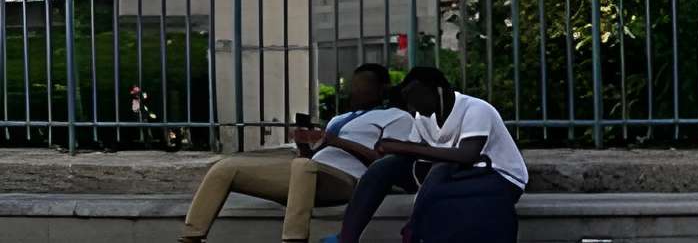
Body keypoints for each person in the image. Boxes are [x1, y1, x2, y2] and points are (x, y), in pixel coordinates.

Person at [177, 61, 403, 243]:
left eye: (362, 87)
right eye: (353, 86)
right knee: (227, 167)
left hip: (347, 181)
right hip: (308, 173)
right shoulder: (339, 119)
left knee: (303, 167)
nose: (354, 92)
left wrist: (337, 142)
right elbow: (309, 160)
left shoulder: (396, 116)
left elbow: (389, 164)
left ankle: (294, 239)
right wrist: (305, 144)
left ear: (382, 89)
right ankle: (191, 236)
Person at [323, 65, 527, 243]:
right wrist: (390, 147)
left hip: (499, 177)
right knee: (384, 167)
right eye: (408, 101)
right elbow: (413, 154)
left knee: (441, 167)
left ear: (438, 91)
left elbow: (468, 155)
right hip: (452, 175)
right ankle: (347, 238)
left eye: (415, 99)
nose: (412, 107)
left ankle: (414, 228)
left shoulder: (476, 109)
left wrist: (403, 147)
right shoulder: (422, 117)